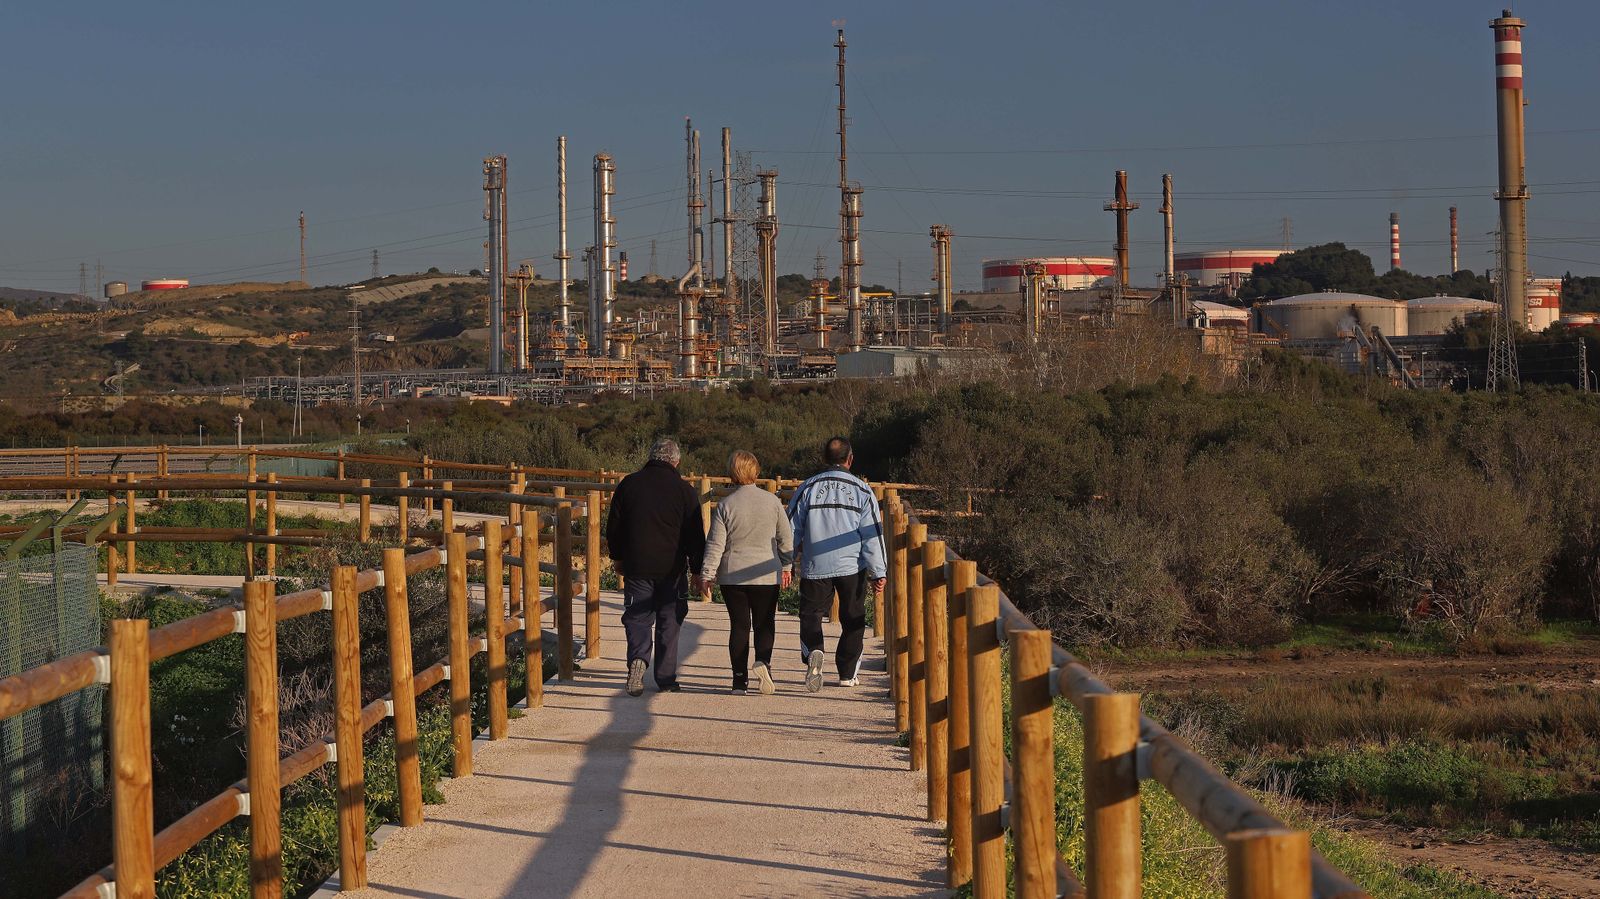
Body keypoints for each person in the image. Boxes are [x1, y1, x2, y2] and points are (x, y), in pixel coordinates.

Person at [605, 437, 706, 696]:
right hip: (671, 568)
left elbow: (614, 526)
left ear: (650, 457)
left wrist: (618, 557)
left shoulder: (629, 484)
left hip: (637, 564)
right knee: (670, 620)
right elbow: (695, 536)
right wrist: (697, 570)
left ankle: (638, 659)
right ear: (676, 461)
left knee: (637, 617)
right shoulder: (685, 491)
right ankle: (666, 678)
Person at [787, 436, 886, 692]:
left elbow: (791, 529)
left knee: (811, 615)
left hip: (815, 565)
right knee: (853, 618)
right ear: (850, 459)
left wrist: (786, 563)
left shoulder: (807, 487)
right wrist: (879, 572)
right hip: (851, 565)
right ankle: (847, 672)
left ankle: (814, 652)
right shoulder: (863, 491)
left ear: (824, 459)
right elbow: (872, 534)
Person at [700, 450, 794, 695]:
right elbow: (786, 539)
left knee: (739, 626)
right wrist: (787, 565)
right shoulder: (772, 502)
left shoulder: (725, 505)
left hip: (734, 576)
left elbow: (715, 544)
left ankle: (739, 681)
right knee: (765, 624)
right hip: (765, 573)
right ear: (756, 471)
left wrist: (707, 574)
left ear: (732, 472)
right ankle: (763, 662)